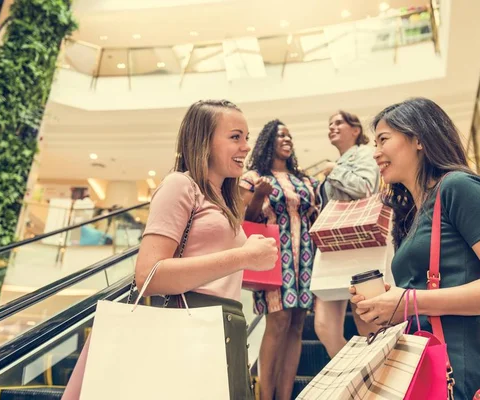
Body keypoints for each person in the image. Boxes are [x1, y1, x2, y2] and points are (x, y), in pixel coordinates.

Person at [62, 100, 278, 400]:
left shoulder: (222, 199)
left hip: (223, 325)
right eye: (235, 137)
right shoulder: (180, 186)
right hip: (188, 326)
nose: (245, 147)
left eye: (246, 138)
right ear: (204, 140)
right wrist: (243, 256)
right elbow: (149, 275)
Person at [350, 97, 480, 399]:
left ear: (419, 139)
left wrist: (410, 300)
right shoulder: (415, 212)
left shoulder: (458, 188)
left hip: (453, 376)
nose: (375, 153)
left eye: (383, 140)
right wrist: (390, 304)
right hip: (421, 369)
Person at [240, 120, 321, 400]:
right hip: (275, 255)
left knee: (297, 323)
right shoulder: (252, 177)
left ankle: (285, 397)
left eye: (289, 135)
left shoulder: (305, 180)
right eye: (280, 135)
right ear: (267, 141)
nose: (287, 139)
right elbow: (245, 221)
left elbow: (314, 216)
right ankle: (265, 396)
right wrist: (259, 195)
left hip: (306, 257)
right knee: (278, 320)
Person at [314, 110, 381, 358]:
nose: (332, 127)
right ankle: (356, 378)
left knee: (367, 322)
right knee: (323, 326)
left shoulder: (364, 153)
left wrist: (334, 170)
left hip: (360, 244)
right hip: (333, 248)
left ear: (355, 130)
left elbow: (364, 187)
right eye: (329, 123)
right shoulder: (341, 161)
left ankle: (380, 386)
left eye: (339, 122)